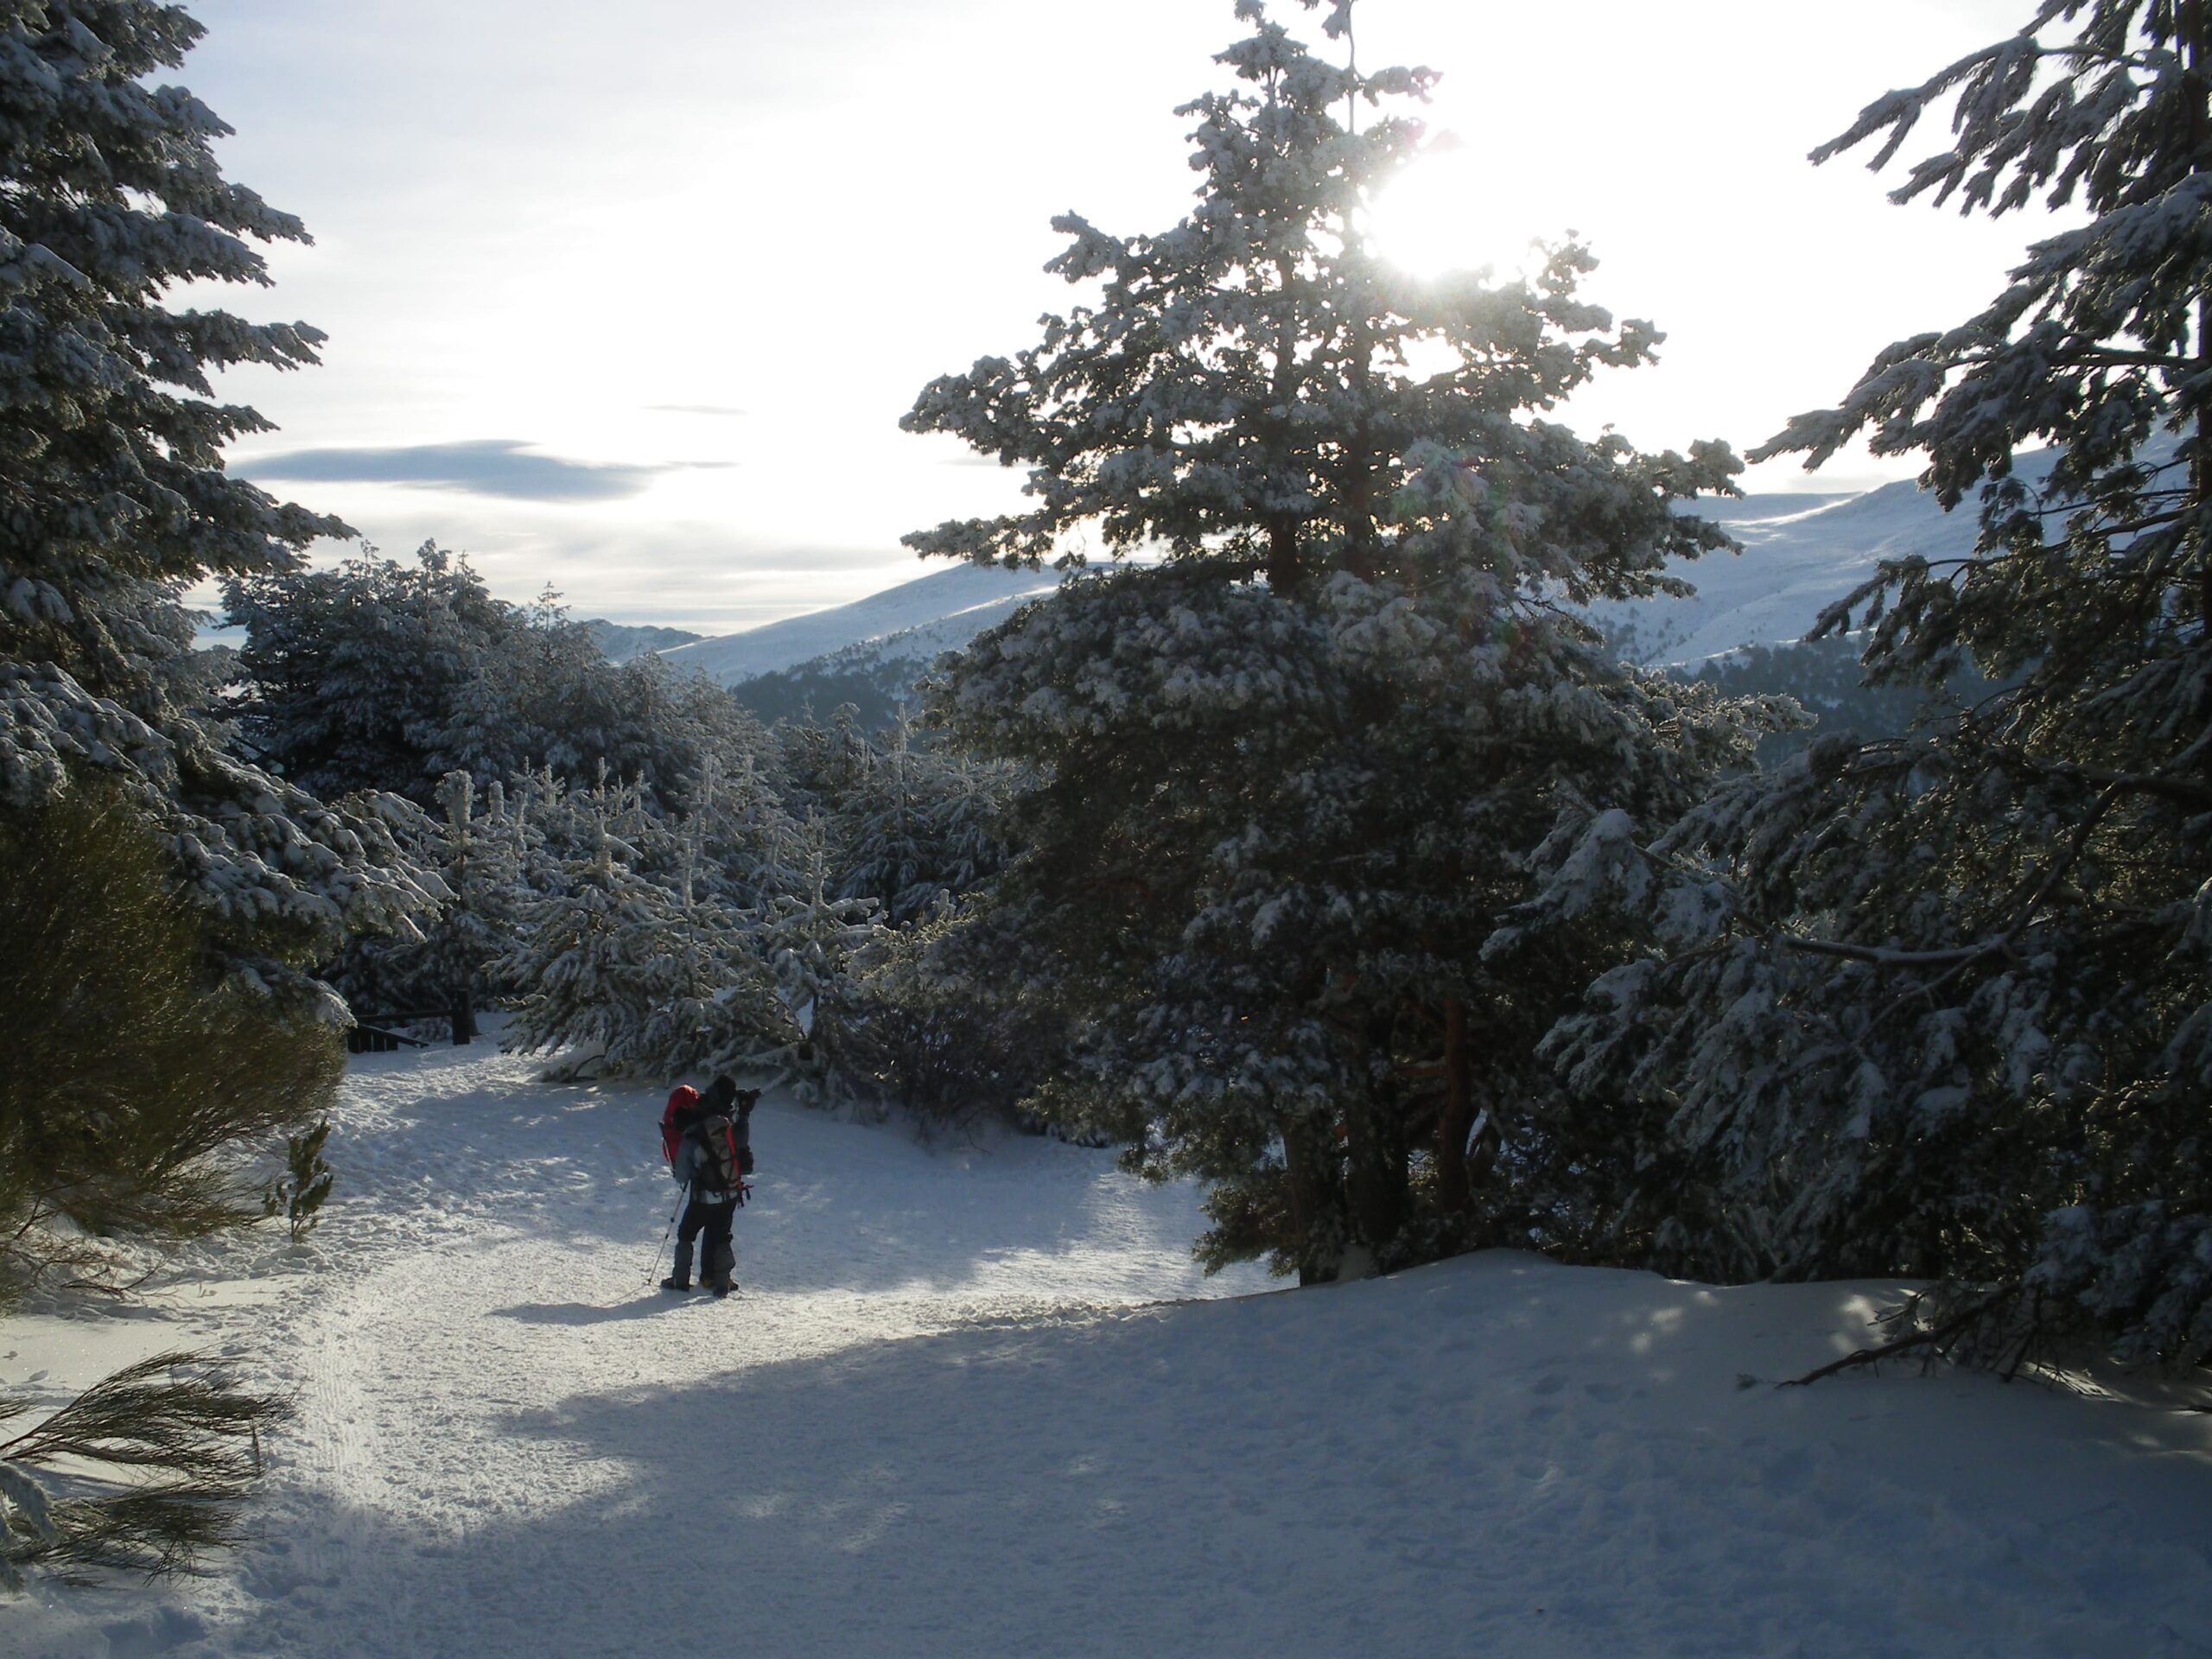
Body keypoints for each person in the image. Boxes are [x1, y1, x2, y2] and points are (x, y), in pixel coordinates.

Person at [661, 1077, 745, 1298]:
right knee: (721, 1235)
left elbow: (682, 1175)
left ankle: (680, 1281)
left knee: (686, 1234)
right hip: (731, 1192)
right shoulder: (726, 1121)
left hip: (703, 1197)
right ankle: (720, 1281)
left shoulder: (693, 1133)